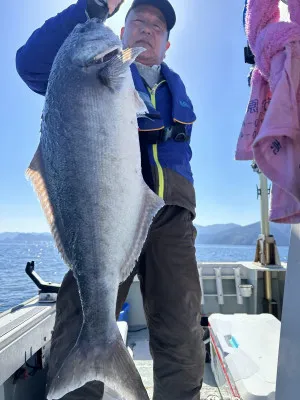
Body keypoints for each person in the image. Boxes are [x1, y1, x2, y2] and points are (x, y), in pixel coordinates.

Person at [16, 0, 205, 399]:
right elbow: (30, 64)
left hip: (171, 215)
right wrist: (90, 7)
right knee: (80, 316)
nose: (148, 29)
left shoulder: (176, 90)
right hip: (101, 212)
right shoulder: (93, 69)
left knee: (180, 326)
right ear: (122, 32)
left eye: (158, 26)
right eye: (139, 20)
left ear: (168, 44)